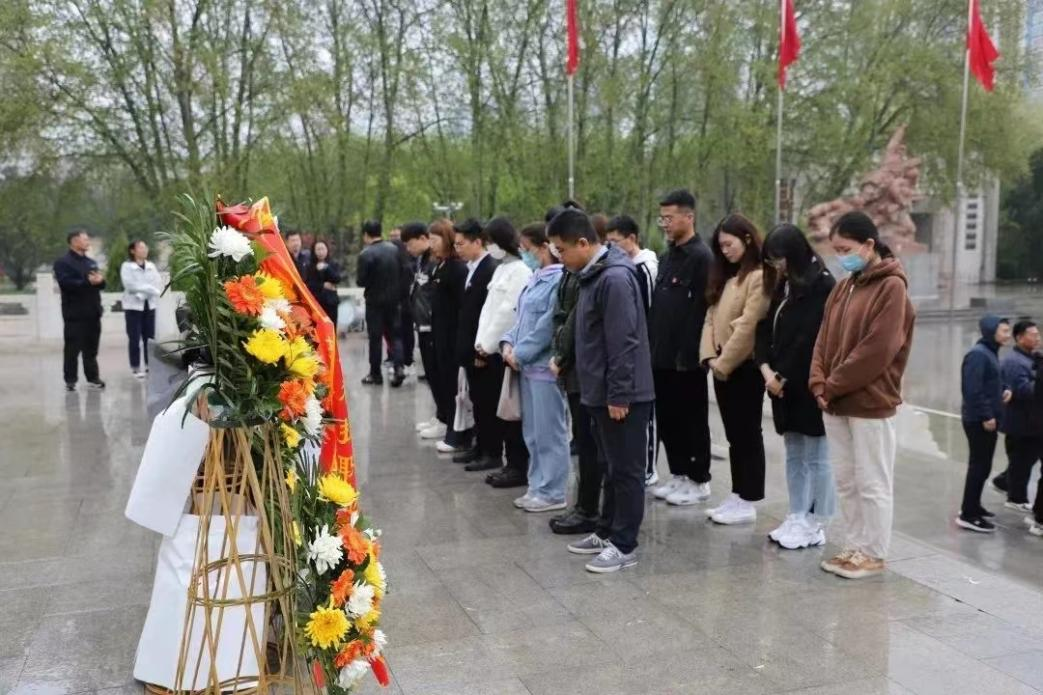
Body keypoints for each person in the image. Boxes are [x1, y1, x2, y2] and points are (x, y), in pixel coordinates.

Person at [549, 208, 655, 574]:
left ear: (583, 243)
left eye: (562, 250)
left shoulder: (615, 278)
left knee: (626, 471)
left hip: (622, 396)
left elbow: (624, 342)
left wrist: (619, 394)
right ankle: (607, 530)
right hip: (597, 391)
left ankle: (625, 544)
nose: (560, 258)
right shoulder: (592, 275)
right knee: (610, 466)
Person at [811, 211, 915, 580]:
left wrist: (832, 384)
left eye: (846, 249)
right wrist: (818, 381)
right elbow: (823, 339)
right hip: (835, 402)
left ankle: (873, 553)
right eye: (837, 250)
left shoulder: (892, 288)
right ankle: (854, 546)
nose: (841, 256)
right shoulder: (844, 287)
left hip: (871, 402)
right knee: (847, 480)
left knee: (872, 482)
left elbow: (878, 349)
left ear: (869, 245)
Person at [755, 224, 837, 548]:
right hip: (780, 385)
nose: (776, 266)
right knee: (794, 453)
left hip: (807, 383)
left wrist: (782, 375)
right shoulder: (784, 284)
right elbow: (765, 329)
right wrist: (766, 369)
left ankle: (816, 522)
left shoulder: (822, 285)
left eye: (779, 259)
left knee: (817, 455)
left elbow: (811, 338)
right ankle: (797, 513)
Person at [700, 214, 770, 525]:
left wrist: (724, 362)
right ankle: (737, 492)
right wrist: (709, 357)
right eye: (721, 246)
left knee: (747, 433)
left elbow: (748, 326)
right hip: (720, 367)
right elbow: (710, 319)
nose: (725, 251)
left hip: (743, 369)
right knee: (733, 435)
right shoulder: (727, 277)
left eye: (729, 244)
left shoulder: (758, 276)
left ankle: (749, 497)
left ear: (747, 239)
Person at [648, 190, 714, 506]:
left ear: (689, 217)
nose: (665, 224)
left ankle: (699, 479)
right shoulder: (667, 257)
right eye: (662, 218)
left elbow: (704, 310)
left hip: (687, 358)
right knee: (669, 419)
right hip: (661, 356)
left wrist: (695, 354)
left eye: (670, 218)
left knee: (692, 420)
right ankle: (678, 473)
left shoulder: (701, 258)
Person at [502, 223, 567, 512]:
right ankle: (537, 485)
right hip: (526, 368)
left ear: (544, 247)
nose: (525, 254)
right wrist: (508, 342)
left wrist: (520, 352)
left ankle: (553, 491)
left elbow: (547, 326)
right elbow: (521, 319)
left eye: (527, 249)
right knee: (532, 432)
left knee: (549, 432)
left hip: (543, 368)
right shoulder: (535, 279)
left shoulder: (558, 280)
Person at [547, 203, 603, 535]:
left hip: (586, 370)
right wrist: (560, 350)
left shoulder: (599, 273)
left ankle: (589, 509)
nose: (559, 256)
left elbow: (576, 320)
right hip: (573, 367)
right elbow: (560, 314)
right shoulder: (572, 271)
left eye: (561, 249)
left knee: (590, 445)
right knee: (582, 441)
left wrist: (560, 354)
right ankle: (583, 505)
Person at [473, 217, 532, 488]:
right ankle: (510, 464)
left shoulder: (520, 271)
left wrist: (487, 344)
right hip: (491, 348)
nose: (490, 247)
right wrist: (481, 342)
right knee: (498, 410)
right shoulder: (502, 269)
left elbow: (507, 313)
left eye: (491, 242)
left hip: (503, 350)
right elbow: (489, 311)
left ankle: (518, 466)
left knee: (511, 412)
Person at [605, 214, 660, 486]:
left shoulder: (644, 268)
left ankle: (649, 468)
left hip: (644, 351)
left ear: (632, 239)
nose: (612, 247)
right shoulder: (620, 268)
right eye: (608, 242)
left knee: (647, 415)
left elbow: (646, 315)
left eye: (616, 241)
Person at [956, 315, 1011, 533]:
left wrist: (1004, 389)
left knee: (983, 466)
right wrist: (987, 416)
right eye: (1004, 331)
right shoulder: (978, 355)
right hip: (979, 421)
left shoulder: (990, 352)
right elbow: (972, 390)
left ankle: (974, 505)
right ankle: (968, 515)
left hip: (986, 419)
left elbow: (992, 380)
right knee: (979, 466)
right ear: (991, 331)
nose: (1008, 335)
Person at [451, 219, 500, 466]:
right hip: (470, 346)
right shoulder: (471, 267)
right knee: (477, 401)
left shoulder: (489, 269)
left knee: (487, 402)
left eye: (461, 244)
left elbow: (488, 314)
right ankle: (480, 446)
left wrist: (482, 351)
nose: (457, 249)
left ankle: (491, 452)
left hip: (483, 350)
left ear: (477, 242)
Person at [427, 219, 471, 454]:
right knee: (444, 384)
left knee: (455, 388)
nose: (432, 244)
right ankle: (449, 426)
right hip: (440, 335)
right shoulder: (440, 266)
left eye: (435, 239)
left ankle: (458, 434)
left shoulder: (457, 269)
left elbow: (461, 307)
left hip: (452, 336)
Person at [400, 223, 443, 438]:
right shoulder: (421, 261)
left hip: (432, 325)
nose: (408, 249)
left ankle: (445, 419)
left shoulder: (434, 261)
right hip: (422, 324)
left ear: (423, 238)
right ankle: (440, 415)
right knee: (431, 374)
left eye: (410, 244)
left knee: (438, 374)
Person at [999, 320, 1043, 517]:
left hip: (1032, 422)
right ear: (1019, 338)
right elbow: (1023, 390)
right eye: (1033, 335)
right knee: (1021, 461)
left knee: (1024, 460)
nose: (1037, 338)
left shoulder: (1031, 357)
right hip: (1020, 422)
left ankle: (1004, 483)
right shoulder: (1014, 361)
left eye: (1038, 334)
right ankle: (1016, 498)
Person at [54, 229, 106, 391]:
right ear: (74, 241)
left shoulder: (91, 262)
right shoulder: (63, 262)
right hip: (74, 313)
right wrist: (87, 281)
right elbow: (65, 283)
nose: (88, 242)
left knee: (91, 348)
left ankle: (93, 377)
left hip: (93, 311)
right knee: (72, 348)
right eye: (85, 239)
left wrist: (100, 280)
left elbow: (99, 285)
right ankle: (70, 380)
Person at [356, 220, 405, 387]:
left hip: (374, 302)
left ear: (366, 235)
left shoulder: (366, 254)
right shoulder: (395, 249)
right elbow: (403, 271)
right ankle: (399, 367)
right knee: (395, 335)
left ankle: (375, 373)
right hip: (394, 300)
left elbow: (361, 281)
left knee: (375, 338)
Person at [120, 239, 163, 379]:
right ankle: (135, 367)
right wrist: (148, 289)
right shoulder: (127, 266)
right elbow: (130, 285)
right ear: (132, 251)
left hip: (149, 306)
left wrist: (145, 291)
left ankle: (150, 365)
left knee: (149, 337)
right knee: (134, 338)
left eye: (145, 247)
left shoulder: (151, 266)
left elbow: (157, 283)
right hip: (133, 307)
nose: (144, 250)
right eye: (141, 248)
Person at [304, 239, 342, 326]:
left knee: (331, 326)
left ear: (327, 250)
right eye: (318, 249)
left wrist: (327, 268)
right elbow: (308, 284)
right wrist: (322, 285)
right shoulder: (309, 266)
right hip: (316, 302)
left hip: (331, 302)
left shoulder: (333, 264)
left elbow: (337, 279)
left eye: (323, 249)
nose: (321, 252)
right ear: (314, 251)